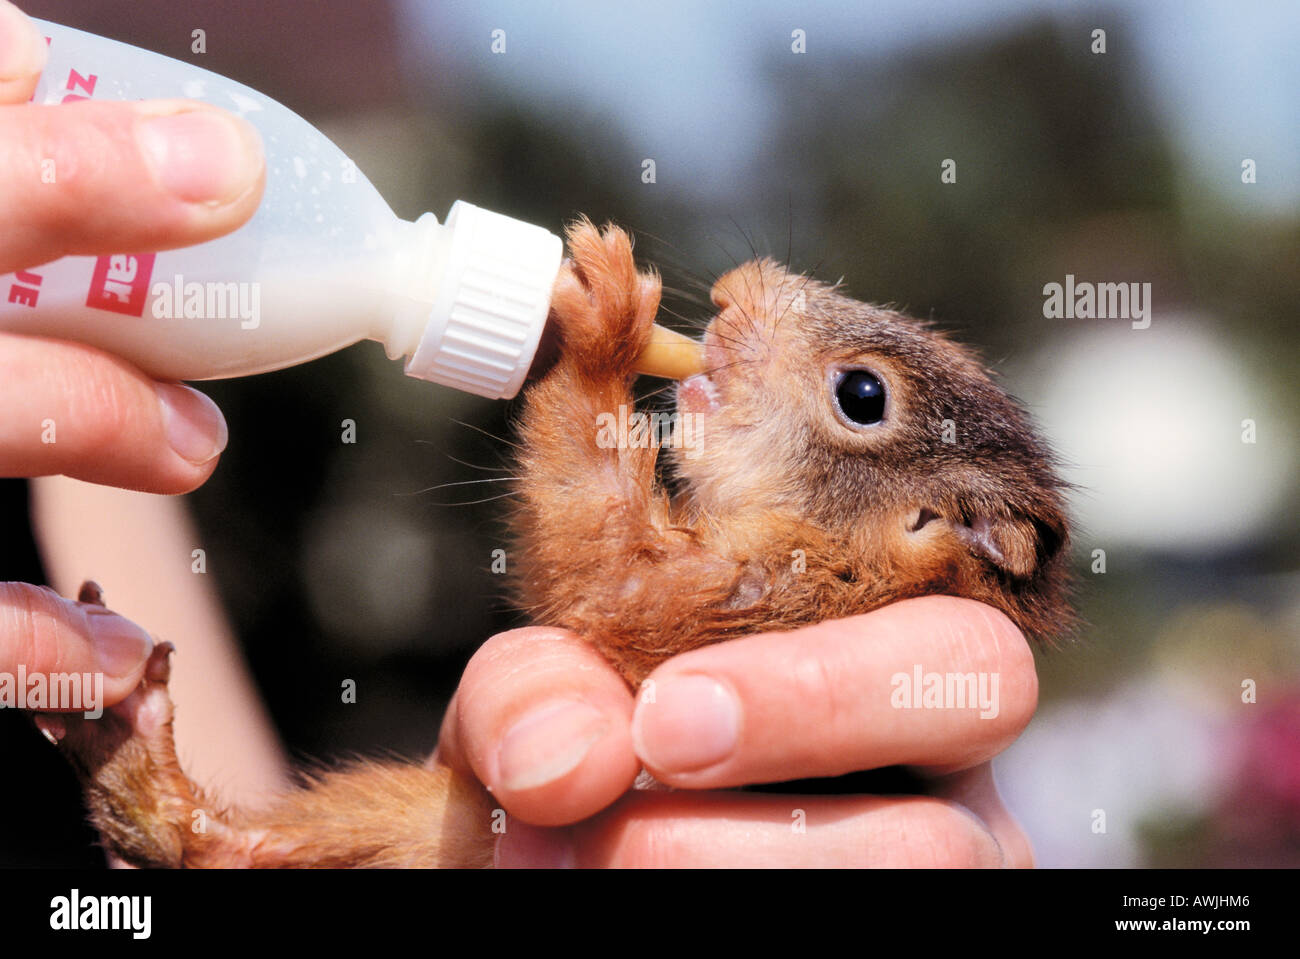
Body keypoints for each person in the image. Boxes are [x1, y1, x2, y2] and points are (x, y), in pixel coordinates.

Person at [0, 0, 1036, 867]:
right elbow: (611, 587)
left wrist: (587, 377)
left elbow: (614, 588)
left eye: (857, 397)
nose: (732, 301)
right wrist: (585, 378)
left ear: (930, 528)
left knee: (455, 817)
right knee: (446, 815)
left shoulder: (807, 600)